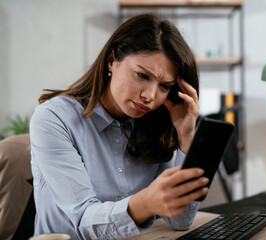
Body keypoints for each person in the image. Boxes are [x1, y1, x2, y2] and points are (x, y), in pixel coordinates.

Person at [30, 13, 208, 240]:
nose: (150, 96)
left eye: (165, 86)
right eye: (142, 75)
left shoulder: (157, 123)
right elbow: (84, 219)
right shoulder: (54, 119)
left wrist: (186, 137)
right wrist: (145, 203)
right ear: (112, 60)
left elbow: (181, 220)